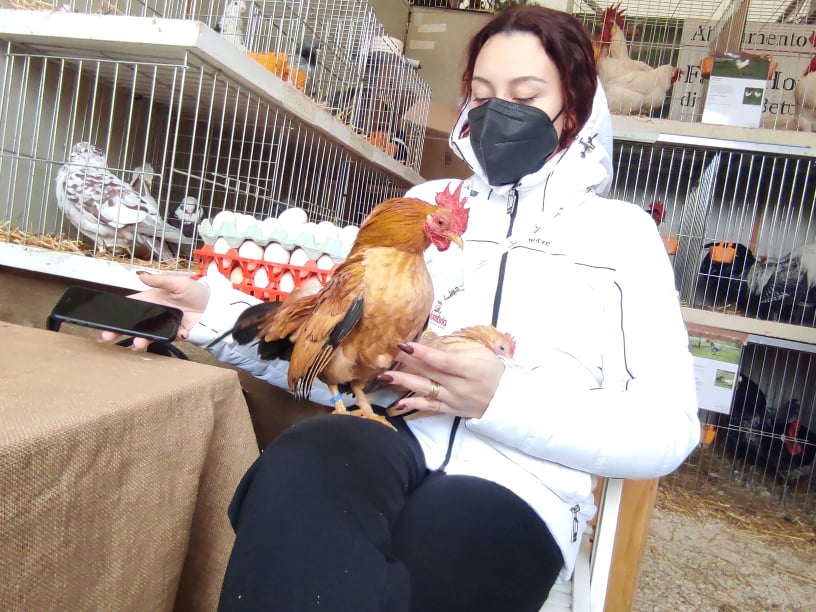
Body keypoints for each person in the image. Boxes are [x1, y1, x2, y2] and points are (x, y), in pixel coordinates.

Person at [108, 6, 700, 611]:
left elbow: (668, 429)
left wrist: (499, 400)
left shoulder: (622, 237)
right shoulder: (424, 208)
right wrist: (211, 311)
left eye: (526, 96)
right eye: (482, 95)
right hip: (392, 435)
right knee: (299, 467)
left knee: (439, 544)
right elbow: (338, 342)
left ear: (574, 108)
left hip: (522, 483)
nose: (498, 113)